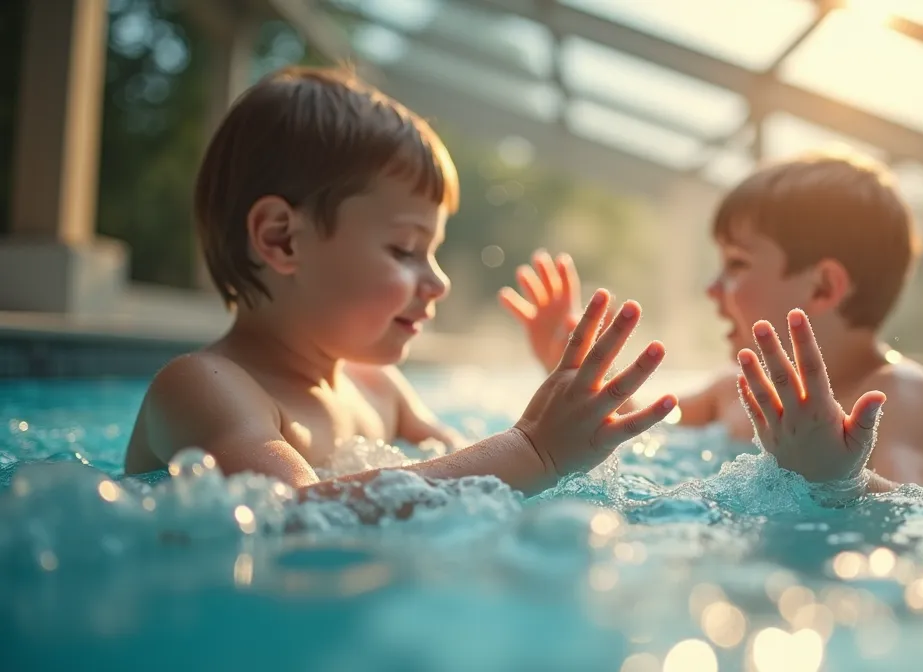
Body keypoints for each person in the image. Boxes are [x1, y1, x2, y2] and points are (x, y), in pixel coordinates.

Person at [121, 66, 677, 498]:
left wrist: (558, 397)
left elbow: (476, 474)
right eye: (405, 250)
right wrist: (531, 449)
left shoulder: (380, 391)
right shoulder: (203, 388)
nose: (437, 282)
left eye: (431, 252)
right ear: (282, 239)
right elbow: (290, 517)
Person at [501, 151, 923, 490]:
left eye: (736, 264)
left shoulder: (896, 393)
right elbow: (640, 428)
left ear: (823, 288)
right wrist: (574, 369)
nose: (713, 289)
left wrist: (839, 481)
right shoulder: (727, 390)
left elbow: (919, 509)